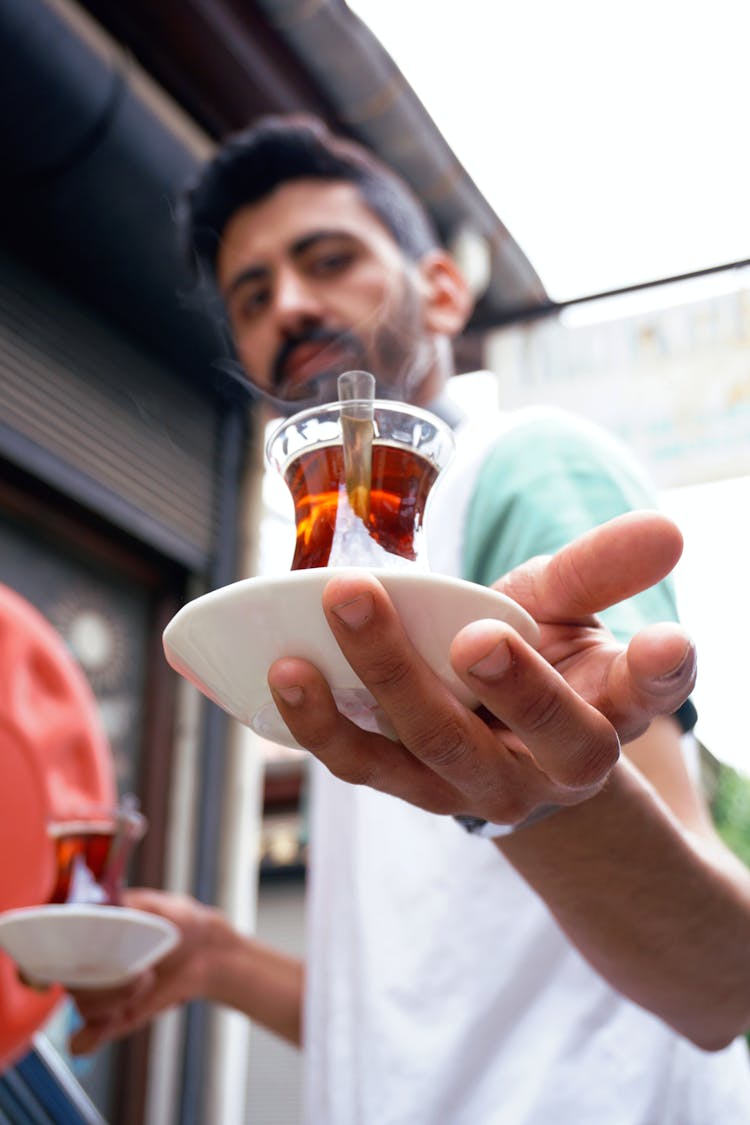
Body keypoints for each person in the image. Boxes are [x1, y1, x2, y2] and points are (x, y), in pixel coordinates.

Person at [68, 116, 750, 1122]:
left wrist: (549, 797)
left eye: (328, 260)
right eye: (251, 296)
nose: (290, 306)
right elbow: (422, 1023)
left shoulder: (513, 471)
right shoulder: (342, 587)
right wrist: (219, 960)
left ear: (441, 290)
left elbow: (717, 982)